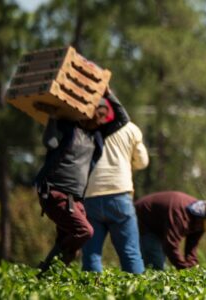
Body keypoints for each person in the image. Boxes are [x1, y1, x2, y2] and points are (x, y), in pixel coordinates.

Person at [34, 88, 122, 276]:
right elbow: (49, 143)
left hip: (76, 200)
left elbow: (122, 119)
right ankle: (48, 273)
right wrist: (52, 117)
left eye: (102, 116)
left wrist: (108, 93)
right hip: (55, 193)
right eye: (97, 114)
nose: (99, 119)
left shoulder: (97, 136)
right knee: (85, 232)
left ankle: (45, 278)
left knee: (70, 245)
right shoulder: (69, 128)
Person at [81, 93, 149, 274]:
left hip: (90, 197)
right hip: (119, 194)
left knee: (91, 254)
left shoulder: (86, 130)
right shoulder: (130, 128)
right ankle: (137, 294)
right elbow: (142, 162)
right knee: (130, 252)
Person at [134, 191, 206, 270]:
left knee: (159, 262)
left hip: (160, 226)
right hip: (143, 219)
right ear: (201, 216)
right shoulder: (180, 214)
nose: (203, 228)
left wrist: (192, 267)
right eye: (205, 224)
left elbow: (192, 247)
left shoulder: (200, 222)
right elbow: (170, 245)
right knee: (155, 262)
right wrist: (184, 268)